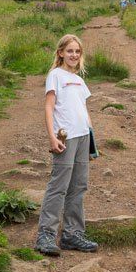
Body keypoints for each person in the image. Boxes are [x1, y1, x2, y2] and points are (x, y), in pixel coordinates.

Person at [34, 34, 98, 256]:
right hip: (65, 137)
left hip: (82, 138)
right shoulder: (56, 75)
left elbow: (83, 110)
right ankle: (46, 235)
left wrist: (91, 140)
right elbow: (49, 107)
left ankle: (72, 234)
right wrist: (52, 136)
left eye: (77, 52)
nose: (74, 55)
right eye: (69, 51)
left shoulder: (80, 80)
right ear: (60, 53)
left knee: (79, 186)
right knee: (59, 185)